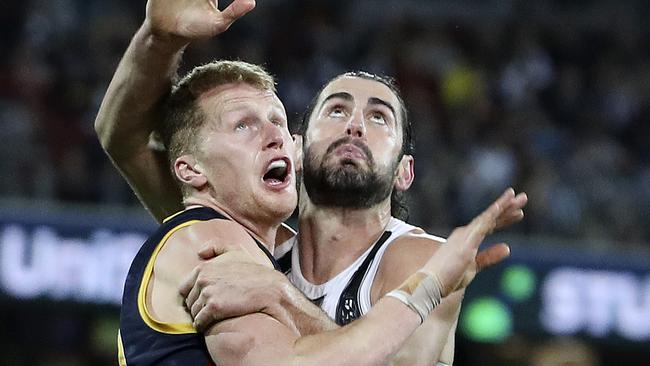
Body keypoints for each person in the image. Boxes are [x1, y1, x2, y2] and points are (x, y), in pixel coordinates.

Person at [95, 0, 527, 365]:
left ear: (404, 171)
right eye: (336, 110)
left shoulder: (420, 259)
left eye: (379, 117)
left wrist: (281, 295)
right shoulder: (232, 234)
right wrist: (158, 40)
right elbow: (124, 138)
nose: (355, 125)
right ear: (298, 150)